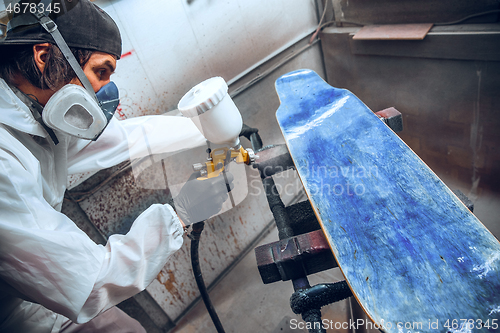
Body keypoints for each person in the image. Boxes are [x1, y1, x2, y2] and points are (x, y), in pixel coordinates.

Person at [0, 0, 233, 332]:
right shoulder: (4, 161)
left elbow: (126, 138)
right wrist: (181, 213)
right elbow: (88, 281)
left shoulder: (33, 112)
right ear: (44, 56)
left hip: (39, 295)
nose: (103, 90)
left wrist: (208, 129)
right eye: (100, 71)